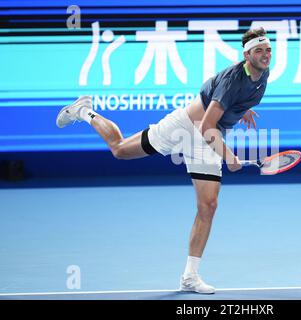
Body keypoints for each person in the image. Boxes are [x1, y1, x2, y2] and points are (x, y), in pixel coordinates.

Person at [56, 27, 271, 294]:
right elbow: (206, 127)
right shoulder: (233, 78)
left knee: (209, 205)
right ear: (247, 55)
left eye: (268, 49)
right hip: (185, 127)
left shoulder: (261, 75)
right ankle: (84, 111)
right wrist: (229, 157)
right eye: (259, 50)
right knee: (120, 149)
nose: (265, 54)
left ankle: (190, 277)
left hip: (207, 140)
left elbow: (231, 100)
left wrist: (242, 108)